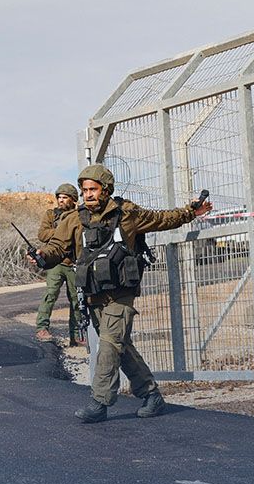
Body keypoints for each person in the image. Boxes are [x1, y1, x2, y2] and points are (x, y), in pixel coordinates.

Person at [34, 164, 211, 423]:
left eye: (93, 189)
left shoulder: (126, 213)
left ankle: (99, 402)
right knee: (121, 346)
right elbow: (56, 248)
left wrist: (189, 211)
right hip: (94, 294)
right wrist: (41, 257)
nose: (88, 194)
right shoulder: (74, 219)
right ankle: (152, 396)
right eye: (84, 190)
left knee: (108, 345)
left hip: (121, 294)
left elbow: (162, 219)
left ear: (106, 190)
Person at [34, 183, 80, 345]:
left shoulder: (79, 215)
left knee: (76, 299)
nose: (61, 200)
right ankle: (42, 327)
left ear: (73, 199)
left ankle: (76, 335)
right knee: (50, 294)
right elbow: (42, 234)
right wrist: (64, 230)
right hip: (55, 262)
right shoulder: (51, 215)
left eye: (65, 197)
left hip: (74, 262)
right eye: (59, 197)